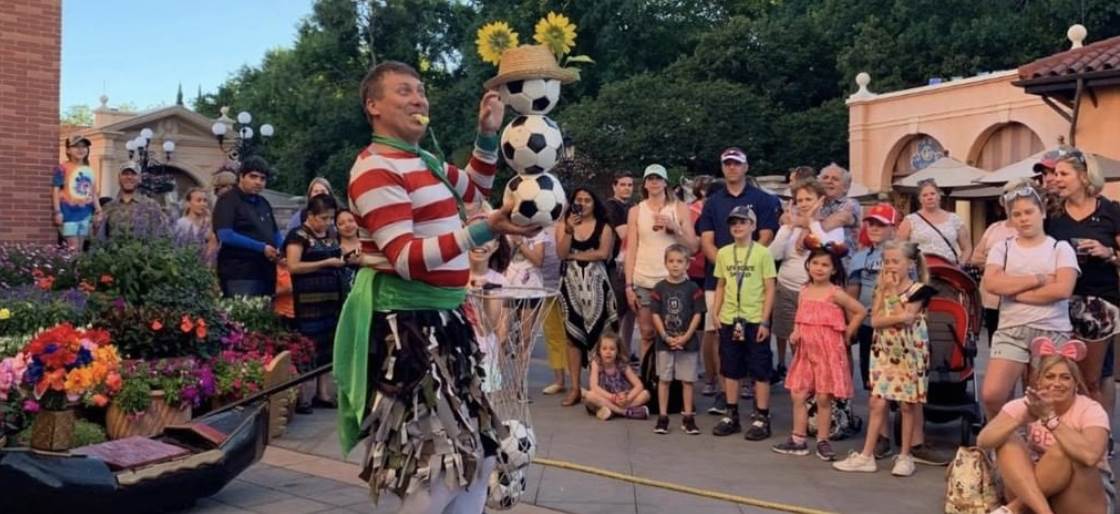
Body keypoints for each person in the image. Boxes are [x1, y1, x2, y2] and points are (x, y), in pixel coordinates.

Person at [335, 60, 534, 512]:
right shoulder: (374, 168)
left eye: (421, 91)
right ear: (373, 106)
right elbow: (406, 258)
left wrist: (487, 134)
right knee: (438, 470)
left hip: (445, 323)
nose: (418, 99)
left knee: (481, 457)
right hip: (408, 330)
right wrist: (484, 229)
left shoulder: (422, 160)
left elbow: (476, 189)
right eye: (404, 91)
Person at [833, 241, 936, 477]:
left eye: (895, 261)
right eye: (887, 261)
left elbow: (906, 318)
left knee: (907, 404)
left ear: (910, 264)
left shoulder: (920, 291)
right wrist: (891, 303)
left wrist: (891, 296)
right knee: (877, 402)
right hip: (884, 351)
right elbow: (877, 320)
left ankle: (905, 455)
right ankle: (866, 455)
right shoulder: (880, 288)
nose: (890, 266)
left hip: (910, 352)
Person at [978, 339, 1111, 514]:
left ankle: (1014, 509)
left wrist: (1051, 420)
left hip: (1083, 492)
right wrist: (1019, 420)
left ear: (1076, 384)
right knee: (1007, 439)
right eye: (1050, 376)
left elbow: (1090, 457)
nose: (1057, 383)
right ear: (1038, 382)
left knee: (1064, 450)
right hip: (1036, 490)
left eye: (1065, 377)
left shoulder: (1091, 409)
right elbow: (983, 441)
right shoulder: (1028, 404)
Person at [696, 147, 781, 417]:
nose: (732, 168)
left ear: (745, 167)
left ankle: (757, 403)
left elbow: (766, 234)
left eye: (736, 163)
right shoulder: (713, 202)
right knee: (720, 337)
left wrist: (747, 260)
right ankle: (725, 395)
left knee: (756, 343)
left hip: (753, 279)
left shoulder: (762, 199)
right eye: (727, 164)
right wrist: (727, 263)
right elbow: (706, 240)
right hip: (720, 276)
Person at [981, 186, 1078, 419]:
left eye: (1028, 212)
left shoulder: (1060, 248)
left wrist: (1015, 292)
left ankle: (1037, 439)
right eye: (1017, 214)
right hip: (1012, 329)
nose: (1023, 219)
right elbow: (992, 284)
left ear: (1041, 212)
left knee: (1042, 399)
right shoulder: (1002, 248)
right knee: (992, 394)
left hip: (1051, 329)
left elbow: (1063, 289)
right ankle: (1009, 436)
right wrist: (1039, 279)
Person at [1046, 147, 1120, 418]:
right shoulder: (1052, 215)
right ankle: (1070, 427)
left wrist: (1108, 253)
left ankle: (1097, 433)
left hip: (1099, 302)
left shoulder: (1110, 210)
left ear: (1084, 176)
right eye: (1055, 174)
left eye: (1063, 174)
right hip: (1061, 301)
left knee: (1093, 377)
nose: (1056, 179)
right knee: (1065, 372)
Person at [772, 245, 865, 461]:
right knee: (798, 393)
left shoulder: (835, 293)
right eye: (815, 263)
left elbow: (860, 311)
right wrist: (796, 332)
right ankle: (798, 438)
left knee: (823, 397)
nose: (819, 268)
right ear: (808, 265)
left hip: (827, 351)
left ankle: (823, 440)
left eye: (825, 265)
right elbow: (800, 315)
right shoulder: (804, 290)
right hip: (806, 350)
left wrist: (847, 333)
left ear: (834, 269)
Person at [710, 206, 777, 440]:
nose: (738, 226)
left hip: (754, 319)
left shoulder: (762, 253)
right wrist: (715, 312)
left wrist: (765, 321)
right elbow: (721, 284)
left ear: (753, 226)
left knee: (760, 368)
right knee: (731, 367)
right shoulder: (724, 253)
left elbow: (770, 288)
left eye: (743, 222)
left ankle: (762, 416)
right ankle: (731, 413)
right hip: (730, 318)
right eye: (734, 223)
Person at [769, 179, 844, 382]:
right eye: (799, 200)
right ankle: (802, 381)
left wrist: (812, 223)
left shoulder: (832, 226)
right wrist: (788, 228)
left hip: (816, 295)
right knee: (794, 340)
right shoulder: (790, 226)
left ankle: (819, 382)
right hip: (786, 290)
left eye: (808, 199)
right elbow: (773, 255)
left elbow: (831, 250)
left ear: (821, 200)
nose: (803, 204)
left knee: (816, 343)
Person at [624, 164, 699, 362]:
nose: (654, 182)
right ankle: (648, 375)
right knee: (647, 332)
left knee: (675, 330)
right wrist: (629, 285)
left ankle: (671, 377)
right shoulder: (636, 211)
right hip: (644, 279)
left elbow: (693, 247)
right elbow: (631, 249)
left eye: (658, 178)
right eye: (650, 179)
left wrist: (675, 228)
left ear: (666, 183)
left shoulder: (679, 208)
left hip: (674, 280)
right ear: (645, 184)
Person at [285, 194, 349, 410]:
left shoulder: (331, 234)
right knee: (308, 345)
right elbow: (293, 266)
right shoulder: (298, 235)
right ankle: (303, 395)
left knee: (327, 346)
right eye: (323, 218)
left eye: (330, 218)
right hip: (307, 301)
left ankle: (323, 393)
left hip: (331, 299)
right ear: (311, 215)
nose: (328, 222)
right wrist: (325, 263)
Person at [556, 187, 618, 407]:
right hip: (571, 286)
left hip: (597, 286)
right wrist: (569, 231)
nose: (582, 204)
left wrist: (575, 256)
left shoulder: (604, 227)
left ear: (594, 203)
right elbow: (562, 254)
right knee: (572, 337)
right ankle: (575, 387)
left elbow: (603, 253)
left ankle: (597, 387)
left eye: (587, 200)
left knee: (599, 336)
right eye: (578, 200)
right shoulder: (565, 225)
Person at [846, 203, 898, 459]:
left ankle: (910, 439)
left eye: (881, 224)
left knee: (896, 382)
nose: (875, 228)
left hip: (895, 327)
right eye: (871, 224)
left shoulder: (903, 254)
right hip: (869, 326)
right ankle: (882, 435)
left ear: (892, 228)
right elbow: (852, 292)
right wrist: (852, 325)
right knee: (874, 382)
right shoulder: (859, 257)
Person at [651, 244, 706, 435]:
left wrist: (686, 336)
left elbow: (698, 314)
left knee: (687, 381)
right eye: (671, 261)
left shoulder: (693, 288)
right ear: (665, 263)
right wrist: (665, 336)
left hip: (687, 343)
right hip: (664, 343)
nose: (675, 265)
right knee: (664, 379)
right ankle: (663, 417)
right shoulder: (659, 288)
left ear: (687, 265)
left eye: (680, 261)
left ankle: (688, 417)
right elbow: (655, 314)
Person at [212, 156, 283, 298]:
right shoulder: (228, 200)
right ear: (241, 176)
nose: (258, 182)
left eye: (262, 179)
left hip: (266, 272)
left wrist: (283, 250)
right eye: (253, 177)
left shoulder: (263, 202)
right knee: (243, 312)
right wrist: (261, 247)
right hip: (240, 274)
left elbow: (275, 233)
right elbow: (225, 234)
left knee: (266, 311)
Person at [970, 181, 1024, 344]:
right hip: (991, 297)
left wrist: (992, 262)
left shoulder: (1026, 228)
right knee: (994, 342)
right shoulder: (994, 228)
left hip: (1017, 297)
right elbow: (975, 258)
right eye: (1007, 200)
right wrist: (999, 263)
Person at [897, 178, 972, 265]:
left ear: (939, 196)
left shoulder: (954, 219)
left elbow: (967, 248)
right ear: (920, 199)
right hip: (921, 269)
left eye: (932, 194)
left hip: (948, 268)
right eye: (925, 195)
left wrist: (961, 264)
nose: (929, 197)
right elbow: (899, 247)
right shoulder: (910, 220)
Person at [581, 332, 651, 420]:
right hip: (605, 396)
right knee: (589, 395)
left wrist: (627, 398)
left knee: (645, 394)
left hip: (622, 398)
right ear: (599, 351)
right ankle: (624, 412)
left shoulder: (621, 363)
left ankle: (610, 410)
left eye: (612, 349)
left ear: (617, 351)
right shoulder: (597, 363)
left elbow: (639, 385)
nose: (608, 352)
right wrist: (612, 397)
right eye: (604, 349)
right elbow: (594, 387)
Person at [605, 172, 637, 358]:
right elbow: (624, 234)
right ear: (614, 186)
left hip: (633, 262)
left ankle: (625, 349)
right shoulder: (611, 206)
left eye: (630, 185)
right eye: (623, 184)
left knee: (632, 310)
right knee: (617, 311)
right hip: (616, 265)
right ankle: (610, 350)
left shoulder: (632, 207)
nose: (627, 188)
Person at [52, 135, 102, 251]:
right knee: (73, 248)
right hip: (69, 212)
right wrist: (57, 211)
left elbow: (93, 193)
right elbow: (55, 190)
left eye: (84, 146)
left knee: (80, 248)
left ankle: (78, 264)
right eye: (76, 146)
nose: (80, 149)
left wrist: (99, 210)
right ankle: (72, 264)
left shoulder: (89, 170)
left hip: (85, 213)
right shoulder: (62, 168)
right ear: (68, 150)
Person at [100, 161, 168, 240]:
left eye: (133, 174)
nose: (129, 177)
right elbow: (97, 237)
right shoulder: (108, 207)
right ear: (119, 178)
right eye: (125, 174)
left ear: (140, 179)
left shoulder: (151, 206)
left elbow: (164, 234)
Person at [817, 163, 862, 256]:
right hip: (818, 259)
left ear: (846, 187)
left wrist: (810, 226)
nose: (829, 181)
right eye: (825, 177)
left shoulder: (850, 203)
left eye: (835, 179)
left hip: (843, 260)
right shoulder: (814, 203)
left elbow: (839, 219)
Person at [174, 187, 219, 261]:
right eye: (198, 200)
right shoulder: (182, 223)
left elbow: (213, 243)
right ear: (188, 203)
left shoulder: (209, 223)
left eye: (205, 201)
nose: (203, 204)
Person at [335, 208, 361, 289]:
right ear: (336, 228)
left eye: (351, 221)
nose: (347, 225)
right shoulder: (335, 249)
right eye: (341, 223)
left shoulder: (368, 246)